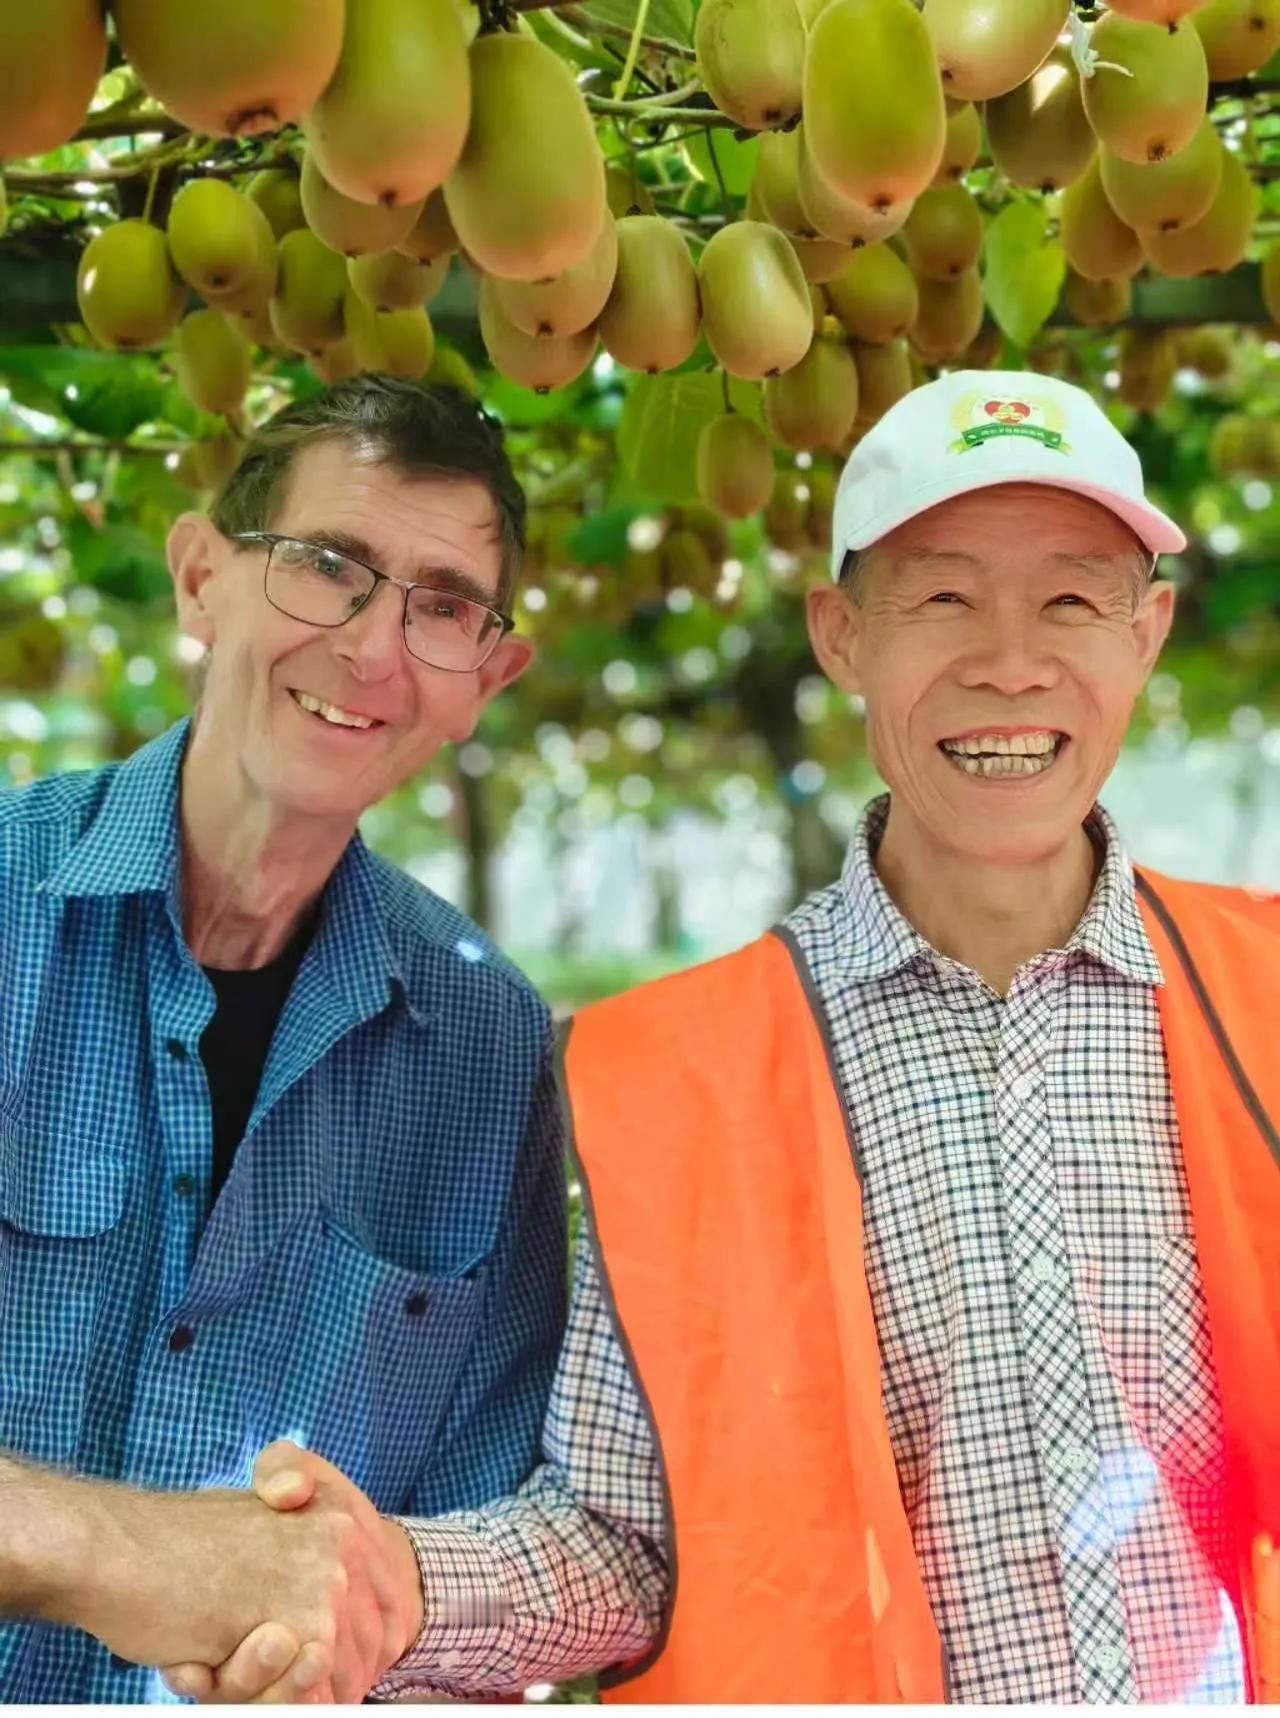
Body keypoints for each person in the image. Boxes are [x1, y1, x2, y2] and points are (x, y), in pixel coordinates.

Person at [210, 368, 1279, 1706]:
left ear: (1151, 630)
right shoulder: (665, 1075)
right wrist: (403, 1588)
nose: (1012, 658)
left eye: (1072, 597)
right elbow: (626, 1539)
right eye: (944, 594)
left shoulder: (1263, 995)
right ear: (841, 633)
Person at [0, 376, 659, 1704]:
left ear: (487, 676)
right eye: (328, 566)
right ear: (202, 579)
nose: (372, 648)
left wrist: (371, 1638)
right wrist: (117, 1550)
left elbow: (495, 1515)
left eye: (443, 605)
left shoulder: (490, 1047)